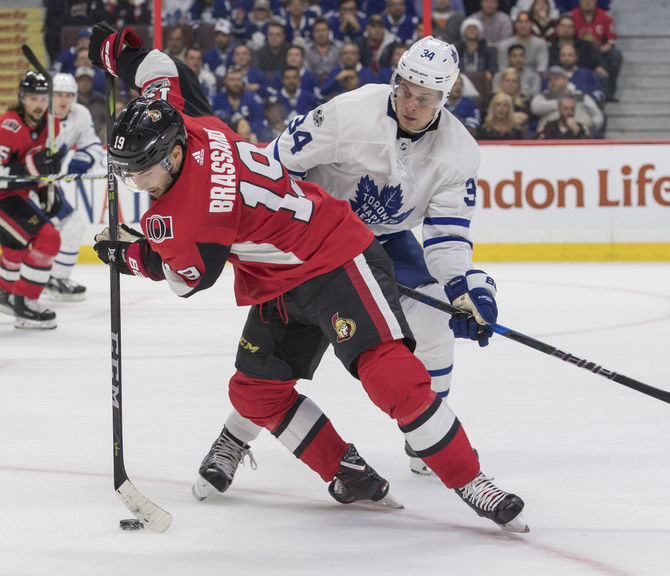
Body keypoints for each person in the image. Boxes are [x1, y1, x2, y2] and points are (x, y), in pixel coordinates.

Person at [86, 22, 529, 535]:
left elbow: (185, 276)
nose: (134, 183)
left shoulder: (195, 216)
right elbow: (161, 71)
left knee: (391, 373)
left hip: (335, 251)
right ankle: (350, 472)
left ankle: (472, 480)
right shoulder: (188, 120)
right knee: (254, 391)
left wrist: (128, 255)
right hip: (277, 265)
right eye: (405, 90)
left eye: (138, 171)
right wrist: (123, 56)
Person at [199, 33, 506, 486]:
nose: (411, 103)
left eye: (426, 96)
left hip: (385, 241)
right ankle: (234, 437)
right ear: (395, 78)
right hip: (314, 237)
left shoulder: (459, 152)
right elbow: (276, 164)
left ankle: (428, 434)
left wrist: (463, 290)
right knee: (278, 350)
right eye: (404, 88)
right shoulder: (348, 112)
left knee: (435, 319)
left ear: (446, 96)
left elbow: (445, 238)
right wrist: (258, 231)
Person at [0, 72, 65, 329]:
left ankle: (5, 293)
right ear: (22, 99)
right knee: (49, 237)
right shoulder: (8, 127)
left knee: (16, 244)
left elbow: (44, 167)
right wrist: (30, 167)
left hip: (15, 197)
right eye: (32, 98)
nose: (38, 105)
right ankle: (24, 302)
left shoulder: (52, 127)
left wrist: (48, 187)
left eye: (42, 98)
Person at [42, 73, 105, 301]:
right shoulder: (38, 114)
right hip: (20, 185)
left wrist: (84, 158)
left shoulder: (80, 114)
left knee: (72, 224)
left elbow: (92, 144)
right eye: (58, 94)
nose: (63, 100)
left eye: (68, 95)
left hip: (45, 187)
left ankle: (57, 278)